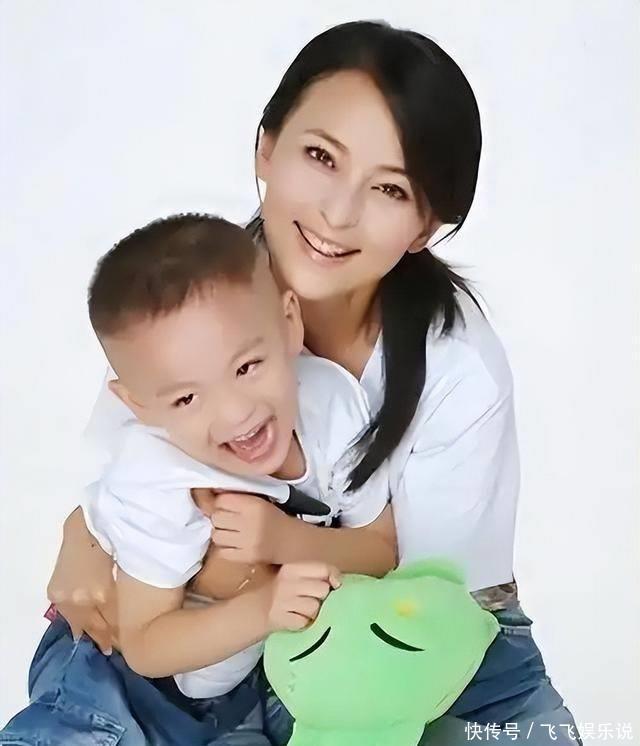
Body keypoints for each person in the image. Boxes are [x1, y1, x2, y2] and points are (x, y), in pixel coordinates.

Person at [3, 19, 582, 746]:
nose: (338, 213)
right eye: (320, 157)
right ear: (266, 149)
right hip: (194, 633)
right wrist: (84, 537)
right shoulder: (195, 290)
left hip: (408, 624)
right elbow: (134, 461)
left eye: (390, 188)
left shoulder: (454, 366)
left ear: (426, 225)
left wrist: (273, 550)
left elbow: (418, 580)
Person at [1, 213, 396, 744]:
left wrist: (286, 541)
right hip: (120, 664)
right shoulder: (153, 476)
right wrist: (264, 606)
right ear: (138, 406)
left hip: (246, 680)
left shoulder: (333, 406)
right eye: (187, 398)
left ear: (289, 323)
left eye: (247, 367)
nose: (236, 413)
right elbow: (146, 644)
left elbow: (381, 549)